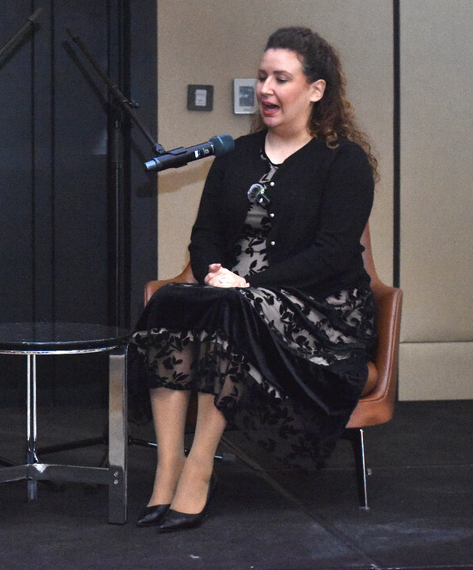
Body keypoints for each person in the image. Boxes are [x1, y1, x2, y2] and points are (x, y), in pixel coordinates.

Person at [131, 27, 379, 533]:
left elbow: (332, 253)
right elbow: (205, 235)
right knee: (169, 302)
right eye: (262, 76)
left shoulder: (344, 161)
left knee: (231, 313)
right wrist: (213, 273)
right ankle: (168, 466)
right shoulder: (234, 154)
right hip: (235, 294)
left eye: (281, 79)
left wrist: (250, 285)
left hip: (319, 308)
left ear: (316, 89)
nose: (265, 88)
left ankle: (199, 469)